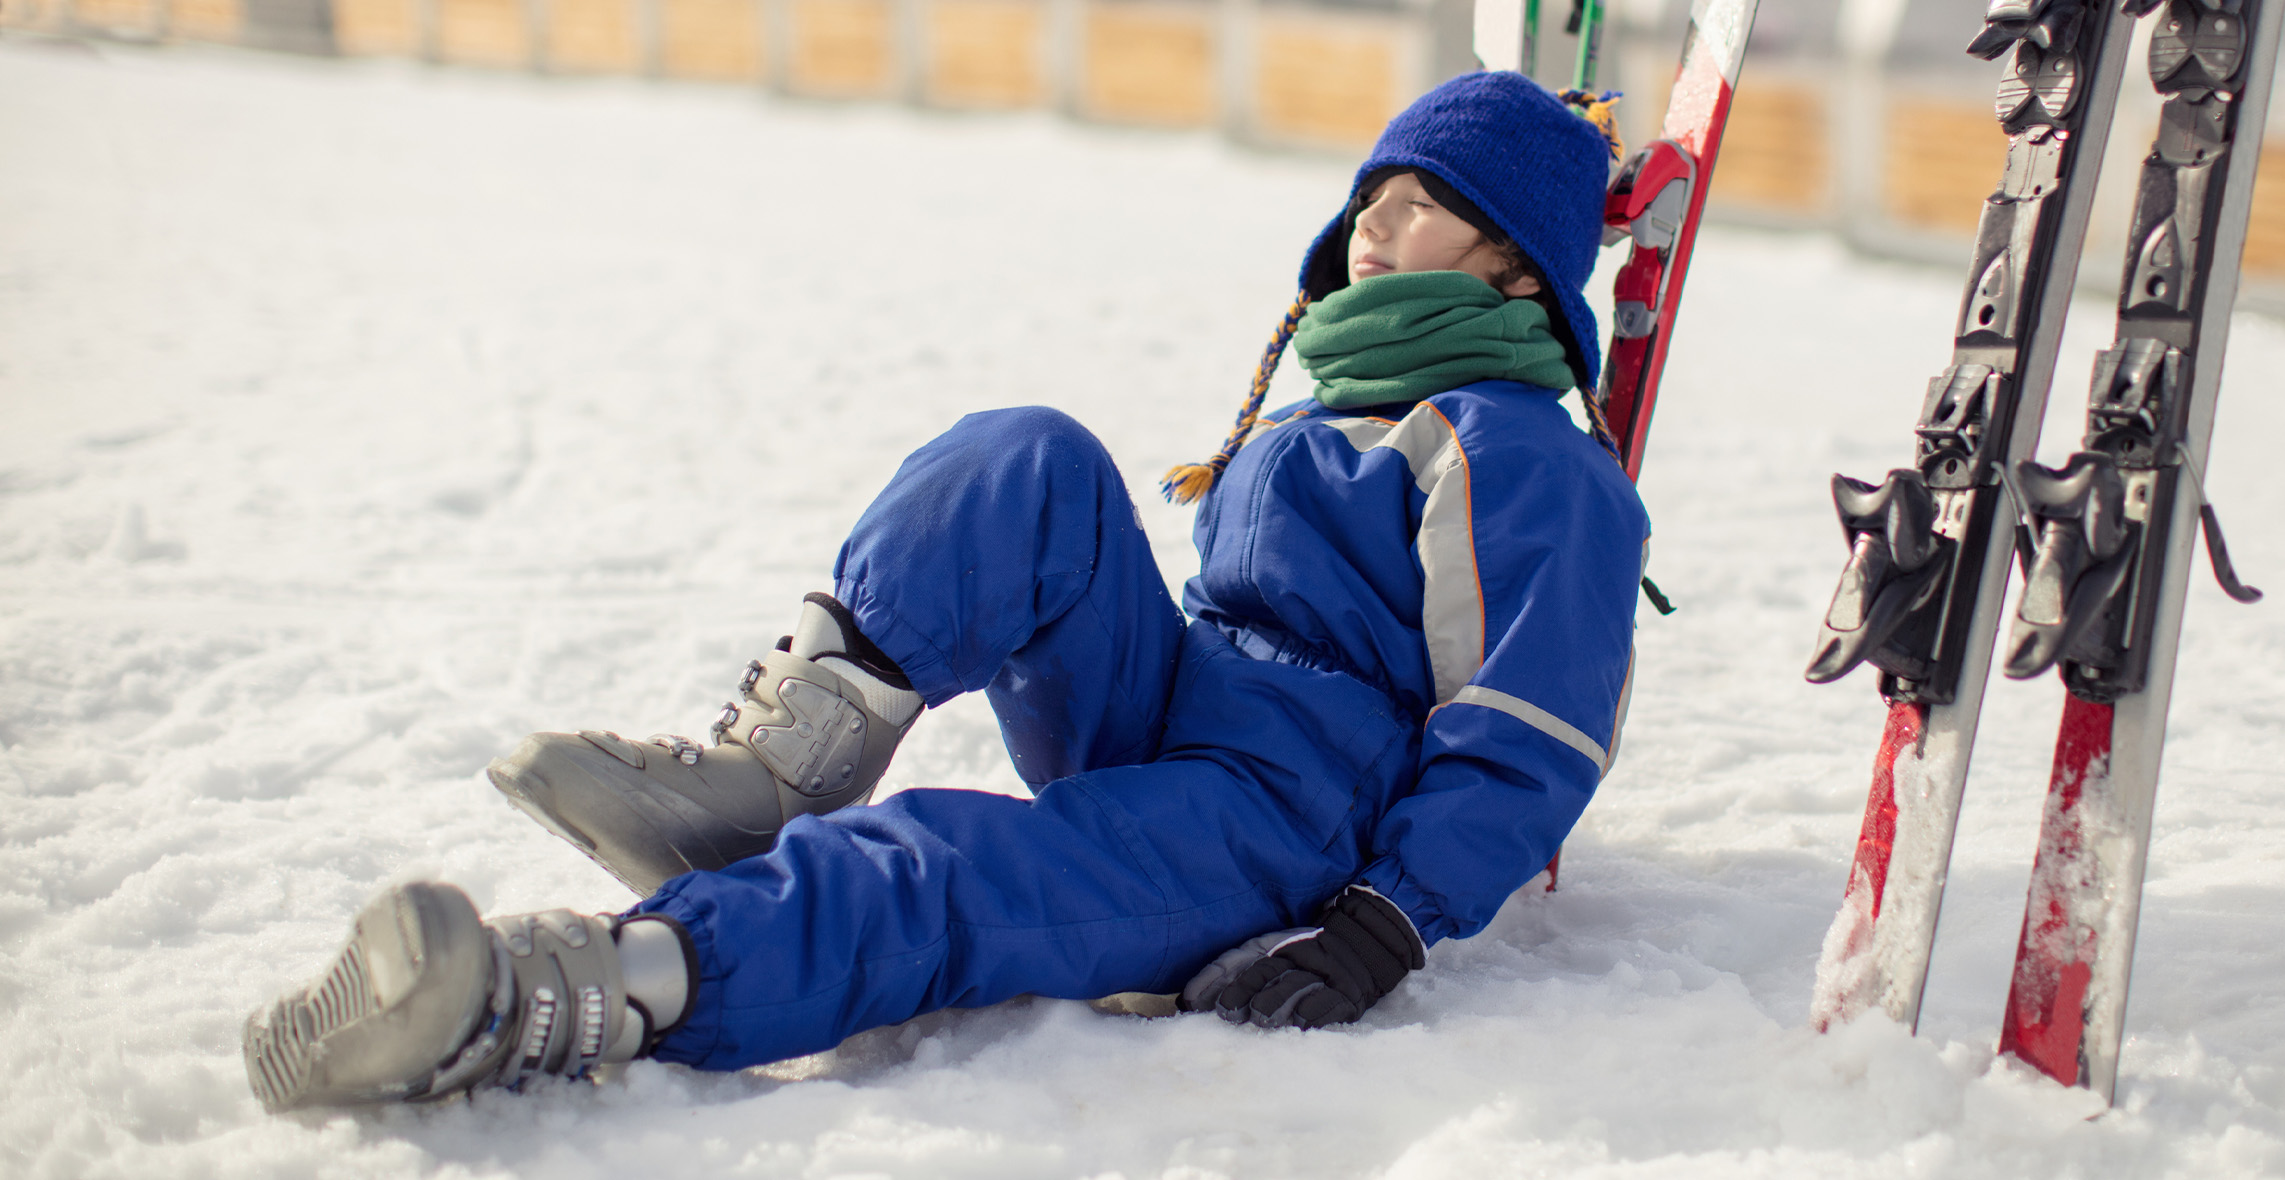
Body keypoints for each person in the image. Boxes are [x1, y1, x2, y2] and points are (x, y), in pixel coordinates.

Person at [242, 69, 1649, 1112]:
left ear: (1516, 267)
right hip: (1182, 701)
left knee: (961, 864)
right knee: (1028, 458)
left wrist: (1384, 921)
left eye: (1419, 211)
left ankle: (576, 987)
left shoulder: (1528, 455)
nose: (1370, 231)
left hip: (1284, 815)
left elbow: (1535, 725)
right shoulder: (1328, 407)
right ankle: (771, 777)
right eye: (1370, 202)